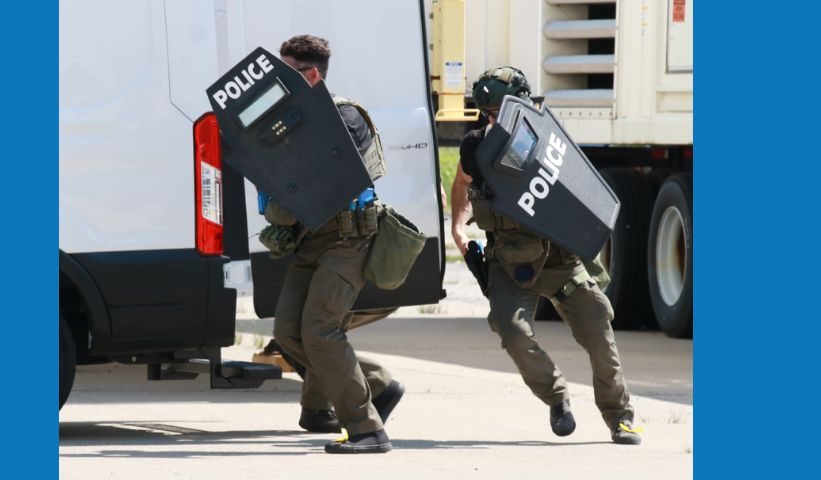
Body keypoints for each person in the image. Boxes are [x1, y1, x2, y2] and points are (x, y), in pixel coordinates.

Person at [450, 66, 642, 445]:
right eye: (487, 112)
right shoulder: (475, 146)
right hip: (508, 260)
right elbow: (462, 182)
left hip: (559, 260)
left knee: (598, 326)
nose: (493, 119)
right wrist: (458, 228)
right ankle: (557, 398)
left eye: (499, 110)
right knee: (512, 331)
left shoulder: (546, 137)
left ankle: (620, 417)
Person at [269, 34, 403, 454]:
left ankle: (367, 430)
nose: (276, 81)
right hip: (311, 237)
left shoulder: (346, 116)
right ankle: (375, 384)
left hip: (348, 236)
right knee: (289, 334)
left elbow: (332, 175)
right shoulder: (290, 118)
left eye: (285, 72)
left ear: (311, 75)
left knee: (321, 331)